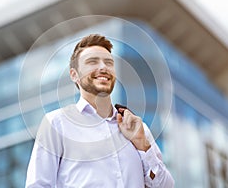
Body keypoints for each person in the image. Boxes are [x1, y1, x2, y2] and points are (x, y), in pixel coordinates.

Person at [26, 34, 175, 187]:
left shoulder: (138, 129)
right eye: (92, 62)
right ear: (74, 75)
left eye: (109, 62)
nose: (103, 67)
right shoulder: (57, 123)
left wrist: (142, 144)